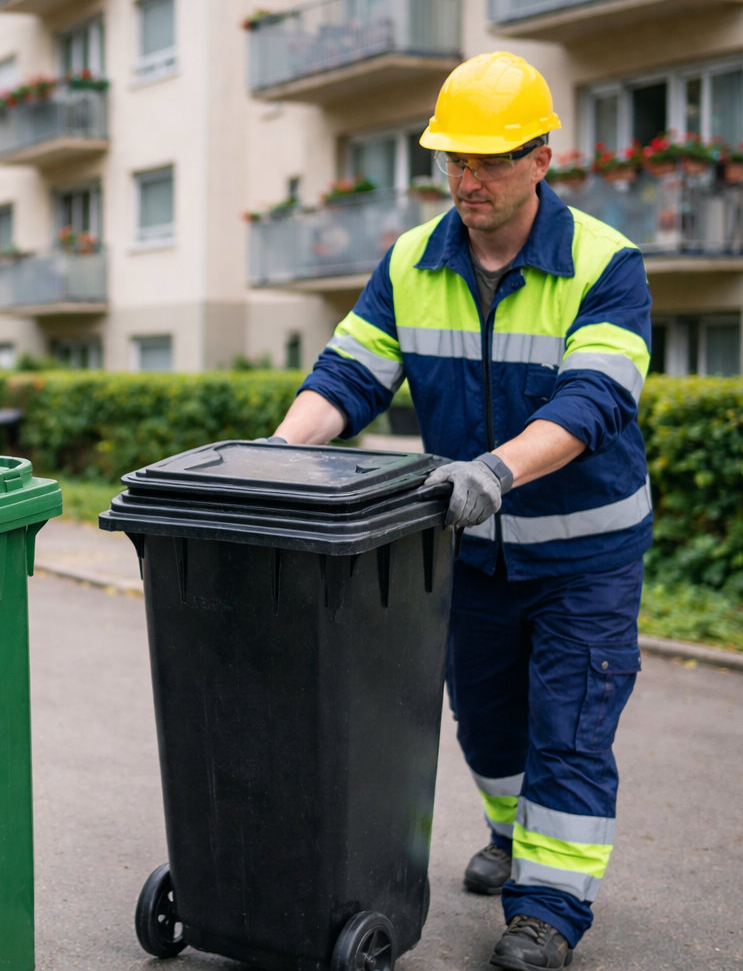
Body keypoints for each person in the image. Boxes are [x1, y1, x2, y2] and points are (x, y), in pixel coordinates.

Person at [272, 52, 651, 971]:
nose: (466, 180)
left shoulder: (604, 263)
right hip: (468, 551)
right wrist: (280, 459)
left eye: (487, 161)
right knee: (484, 724)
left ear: (541, 161)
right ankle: (514, 831)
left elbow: (592, 402)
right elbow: (348, 375)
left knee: (568, 725)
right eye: (453, 160)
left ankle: (550, 908)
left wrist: (496, 468)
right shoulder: (412, 259)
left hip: (584, 559)